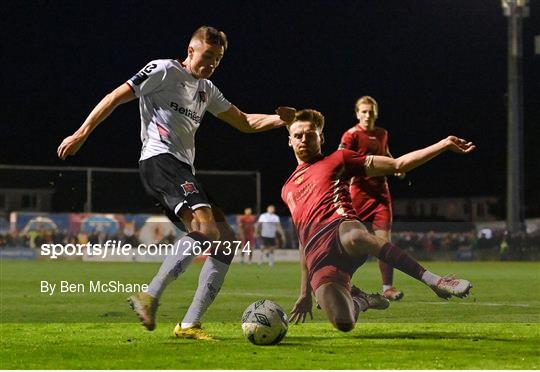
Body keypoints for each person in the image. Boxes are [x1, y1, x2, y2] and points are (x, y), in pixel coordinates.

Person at [57, 26, 296, 339]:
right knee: (208, 228)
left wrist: (284, 120)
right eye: (208, 56)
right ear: (191, 50)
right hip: (159, 161)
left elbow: (245, 121)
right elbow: (116, 96)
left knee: (224, 241)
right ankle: (149, 295)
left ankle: (188, 324)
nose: (212, 64)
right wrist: (81, 132)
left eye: (218, 59)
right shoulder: (164, 70)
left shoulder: (207, 89)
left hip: (184, 169)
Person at [283, 109, 474, 332]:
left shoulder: (339, 159)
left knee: (355, 236)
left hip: (340, 230)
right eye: (298, 136)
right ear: (289, 141)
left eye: (310, 135)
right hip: (319, 259)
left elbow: (398, 165)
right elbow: (302, 241)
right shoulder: (287, 188)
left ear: (321, 138)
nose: (304, 139)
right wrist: (304, 293)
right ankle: (361, 300)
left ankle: (434, 280)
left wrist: (443, 144)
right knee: (344, 323)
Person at [339, 95, 404, 300]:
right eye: (363, 112)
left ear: (375, 113)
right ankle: (337, 286)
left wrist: (396, 167)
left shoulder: (382, 133)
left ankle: (388, 288)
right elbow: (340, 158)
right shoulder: (351, 135)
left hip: (381, 196)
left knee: (384, 242)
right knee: (350, 244)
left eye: (370, 112)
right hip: (358, 194)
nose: (367, 115)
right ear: (357, 113)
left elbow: (385, 152)